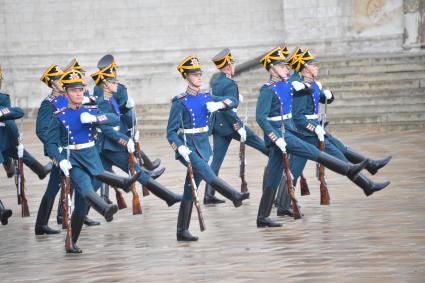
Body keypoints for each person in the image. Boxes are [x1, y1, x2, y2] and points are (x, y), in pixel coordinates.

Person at [166, 55, 249, 241]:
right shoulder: (179, 101)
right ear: (186, 77)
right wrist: (179, 148)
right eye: (194, 75)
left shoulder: (207, 97)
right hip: (188, 147)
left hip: (204, 145)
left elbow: (233, 101)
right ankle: (234, 195)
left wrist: (220, 104)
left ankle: (182, 231)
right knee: (207, 172)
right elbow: (170, 132)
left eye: (200, 74)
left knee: (190, 188)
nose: (199, 78)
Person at [205, 48, 269, 204]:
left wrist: (235, 100)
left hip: (219, 126)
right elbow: (228, 110)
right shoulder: (229, 83)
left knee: (216, 161)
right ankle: (277, 160)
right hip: (230, 124)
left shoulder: (217, 80)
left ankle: (208, 194)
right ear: (227, 66)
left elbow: (219, 100)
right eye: (231, 64)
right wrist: (238, 126)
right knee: (260, 143)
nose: (233, 66)